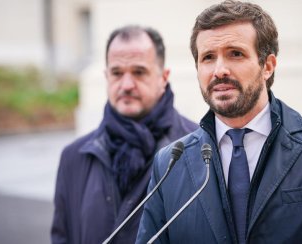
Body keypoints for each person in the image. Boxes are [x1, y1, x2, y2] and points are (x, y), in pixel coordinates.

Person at [136, 0, 302, 243]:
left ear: (268, 66)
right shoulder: (170, 164)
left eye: (236, 54)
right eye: (208, 57)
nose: (219, 70)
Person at [51, 25, 197, 244]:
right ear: (106, 76)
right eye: (117, 73)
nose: (126, 85)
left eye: (139, 72)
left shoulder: (198, 148)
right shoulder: (74, 157)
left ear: (163, 77)